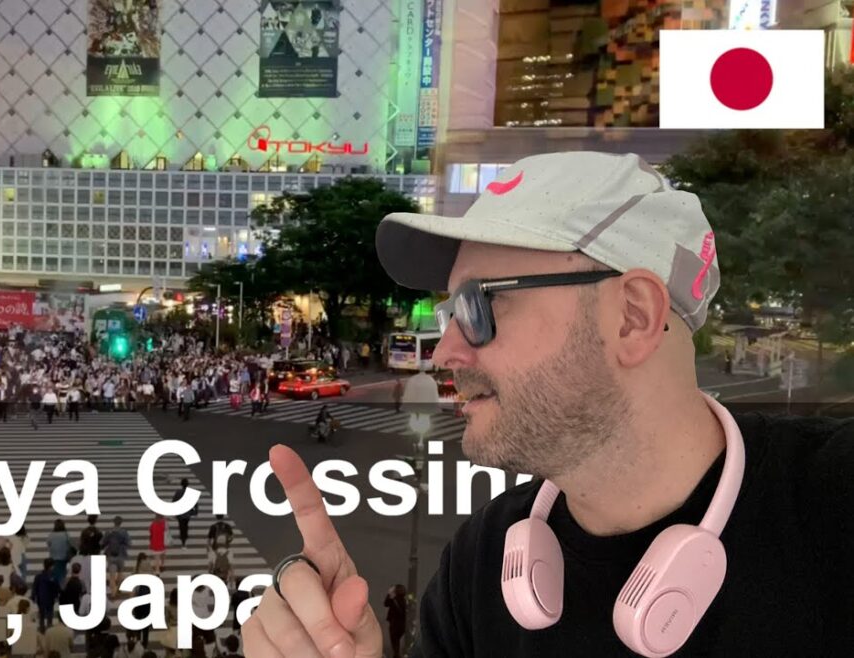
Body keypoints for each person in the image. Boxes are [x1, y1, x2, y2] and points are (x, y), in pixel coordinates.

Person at [243, 152, 854, 656]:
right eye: (449, 312)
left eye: (479, 306)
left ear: (633, 318)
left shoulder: (835, 503)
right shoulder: (480, 565)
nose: (445, 352)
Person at [383, 584, 407, 658]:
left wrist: (389, 594)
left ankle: (396, 655)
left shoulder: (395, 600)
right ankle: (396, 655)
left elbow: (386, 603)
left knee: (394, 642)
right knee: (396, 642)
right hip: (401, 625)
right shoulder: (403, 600)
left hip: (395, 624)